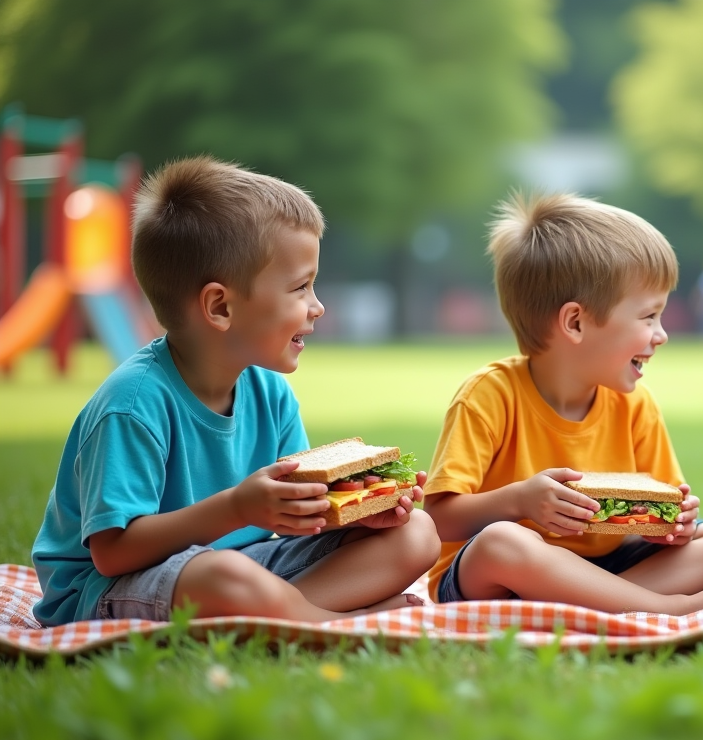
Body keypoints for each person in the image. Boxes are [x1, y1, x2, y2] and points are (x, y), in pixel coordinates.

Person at [31, 157, 440, 626]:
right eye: (301, 287)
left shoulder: (271, 392)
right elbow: (113, 553)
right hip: (109, 589)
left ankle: (292, 614)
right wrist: (235, 508)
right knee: (221, 574)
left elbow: (293, 514)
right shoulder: (132, 405)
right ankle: (329, 621)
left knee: (418, 534)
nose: (318, 307)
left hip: (241, 568)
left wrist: (356, 512)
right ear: (220, 306)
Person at [422, 193, 703, 613]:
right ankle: (664, 608)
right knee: (503, 541)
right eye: (648, 317)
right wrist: (518, 501)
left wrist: (673, 524)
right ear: (576, 322)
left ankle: (601, 603)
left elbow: (660, 513)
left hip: (609, 565)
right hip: (502, 576)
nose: (661, 334)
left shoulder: (636, 404)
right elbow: (439, 518)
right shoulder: (488, 396)